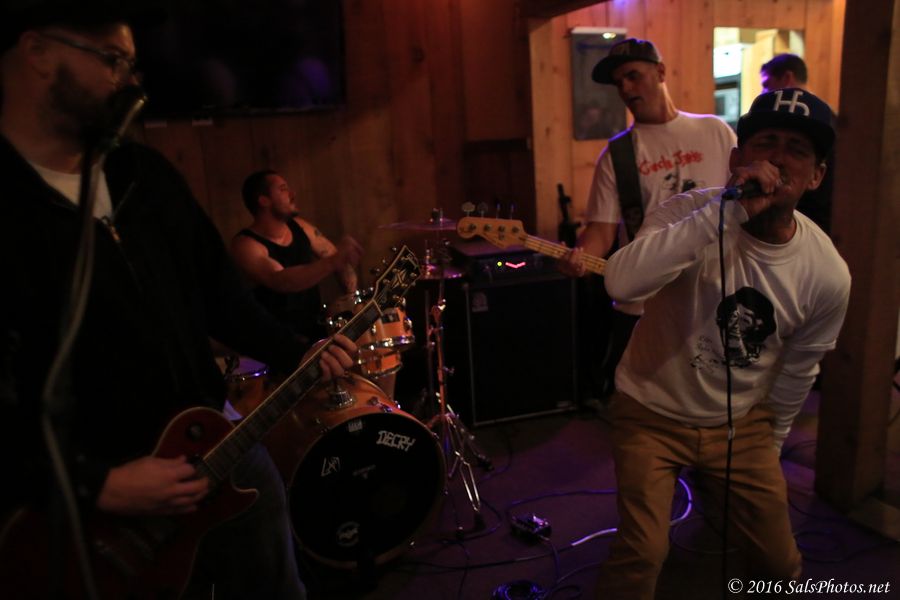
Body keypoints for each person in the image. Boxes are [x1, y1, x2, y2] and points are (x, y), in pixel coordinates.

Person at [0, 4, 357, 599]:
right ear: (38, 52)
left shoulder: (146, 176)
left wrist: (299, 349)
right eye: (113, 60)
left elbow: (222, 299)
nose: (130, 83)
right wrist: (98, 485)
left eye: (132, 65)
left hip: (213, 443)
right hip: (95, 506)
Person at [596, 88, 851, 599]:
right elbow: (621, 284)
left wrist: (770, 448)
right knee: (642, 554)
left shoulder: (827, 273)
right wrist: (727, 214)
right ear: (737, 159)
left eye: (797, 149)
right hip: (649, 411)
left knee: (780, 565)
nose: (778, 158)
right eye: (766, 142)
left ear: (816, 175)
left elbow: (799, 370)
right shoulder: (685, 213)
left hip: (743, 425)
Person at [561, 38, 737, 400]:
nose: (625, 89)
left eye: (633, 76)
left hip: (711, 298)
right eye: (618, 83)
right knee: (638, 404)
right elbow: (602, 232)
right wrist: (579, 256)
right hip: (643, 305)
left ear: (660, 72)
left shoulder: (716, 131)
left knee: (713, 402)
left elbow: (739, 206)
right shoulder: (618, 154)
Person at [230, 169, 362, 344]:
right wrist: (333, 262)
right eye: (283, 189)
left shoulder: (300, 227)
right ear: (264, 200)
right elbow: (281, 280)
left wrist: (352, 301)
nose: (292, 194)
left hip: (315, 333)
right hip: (276, 342)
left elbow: (338, 259)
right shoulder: (245, 244)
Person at [761, 53, 835, 234]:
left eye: (766, 84)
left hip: (808, 226)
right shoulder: (833, 120)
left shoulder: (825, 126)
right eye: (767, 143)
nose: (763, 91)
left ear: (787, 78)